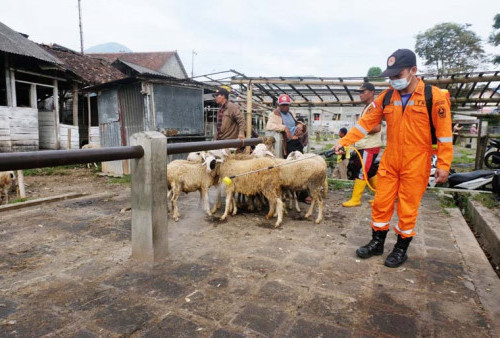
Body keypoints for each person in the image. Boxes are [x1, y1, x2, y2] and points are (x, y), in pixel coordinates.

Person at [332, 49, 453, 268]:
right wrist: (344, 141)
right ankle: (377, 243)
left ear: (413, 71)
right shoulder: (387, 96)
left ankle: (400, 249)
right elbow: (366, 123)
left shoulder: (433, 97)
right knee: (380, 203)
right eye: (391, 76)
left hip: (417, 162)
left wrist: (444, 164)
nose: (394, 80)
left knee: (407, 208)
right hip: (391, 159)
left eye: (398, 75)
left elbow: (445, 134)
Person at [342, 82, 382, 207]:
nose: (360, 95)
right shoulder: (366, 107)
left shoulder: (374, 107)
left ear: (371, 92)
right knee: (370, 173)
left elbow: (376, 128)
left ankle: (356, 199)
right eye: (359, 92)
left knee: (361, 171)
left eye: (363, 92)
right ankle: (381, 197)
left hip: (369, 146)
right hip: (364, 145)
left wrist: (359, 131)